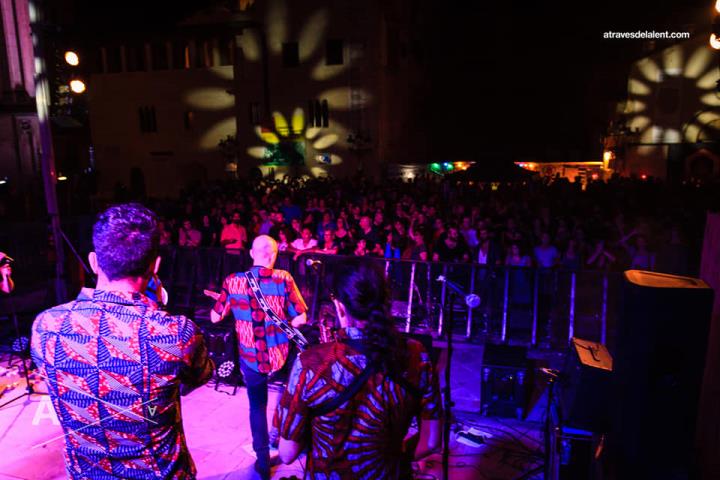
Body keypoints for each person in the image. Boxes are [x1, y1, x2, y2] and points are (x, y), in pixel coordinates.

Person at [31, 203, 214, 479]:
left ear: (94, 262)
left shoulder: (47, 326)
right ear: (156, 266)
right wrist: (156, 309)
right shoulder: (176, 333)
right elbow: (200, 375)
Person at [275, 260, 441, 478]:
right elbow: (431, 442)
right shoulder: (416, 353)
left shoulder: (311, 362)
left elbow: (287, 454)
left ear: (340, 307)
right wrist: (393, 454)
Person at [210, 235, 308, 479]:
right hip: (281, 356)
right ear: (273, 255)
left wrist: (228, 300)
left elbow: (214, 317)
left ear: (252, 254)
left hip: (251, 357)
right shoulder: (284, 278)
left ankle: (263, 461)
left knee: (257, 406)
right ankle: (289, 447)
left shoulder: (233, 281)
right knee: (287, 401)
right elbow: (301, 319)